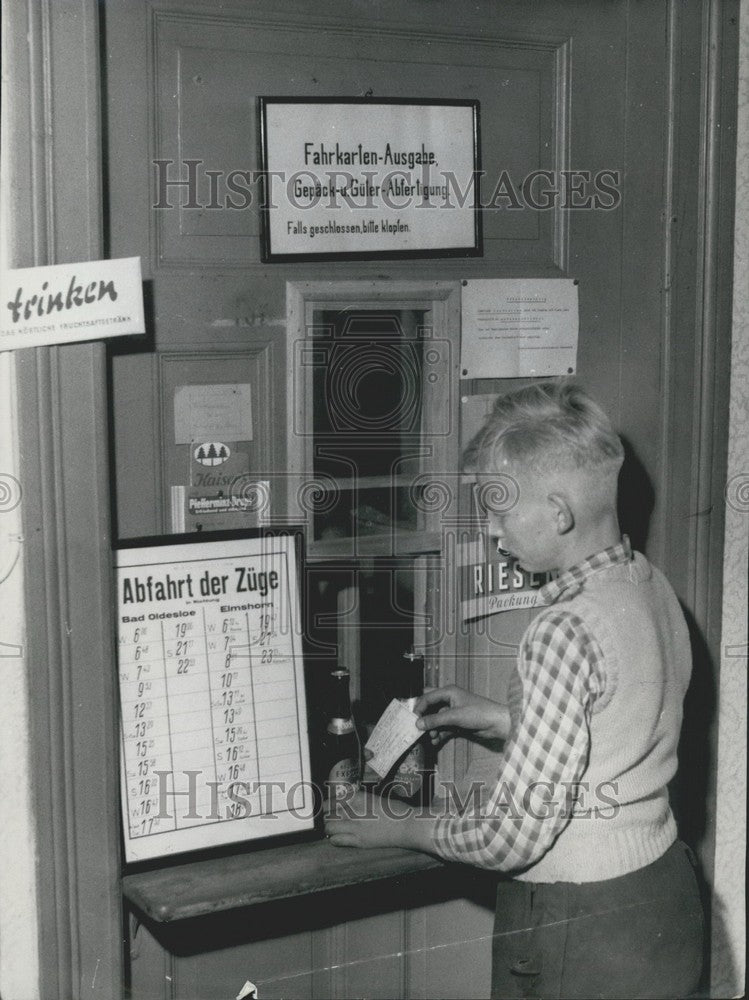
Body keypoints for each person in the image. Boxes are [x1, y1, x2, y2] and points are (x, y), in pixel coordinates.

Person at [325, 380, 704, 999]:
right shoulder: (647, 584)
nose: (493, 532)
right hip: (660, 896)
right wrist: (505, 718)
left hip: (580, 931)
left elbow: (511, 835)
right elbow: (623, 717)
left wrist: (400, 826)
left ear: (559, 513)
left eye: (500, 512)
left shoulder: (561, 629)